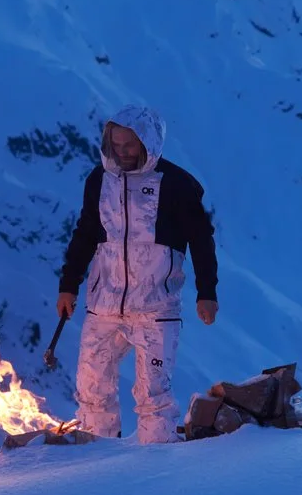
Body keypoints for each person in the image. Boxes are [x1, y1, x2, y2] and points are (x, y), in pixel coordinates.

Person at [53, 106, 219, 442]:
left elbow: (201, 240)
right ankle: (95, 460)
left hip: (155, 308)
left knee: (153, 396)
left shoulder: (177, 184)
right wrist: (68, 286)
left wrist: (207, 293)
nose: (123, 151)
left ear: (149, 141)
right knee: (91, 389)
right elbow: (85, 234)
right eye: (116, 144)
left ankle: (155, 471)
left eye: (130, 144)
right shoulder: (99, 181)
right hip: (104, 305)